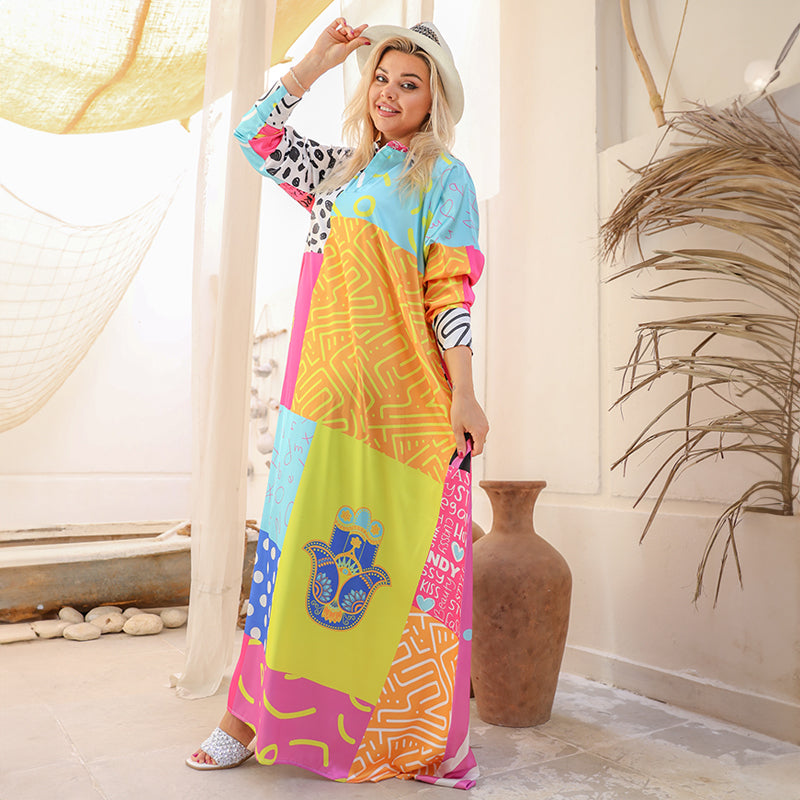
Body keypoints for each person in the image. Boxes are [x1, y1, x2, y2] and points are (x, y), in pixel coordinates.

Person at [186, 17, 488, 790]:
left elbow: (449, 290)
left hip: (400, 408)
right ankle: (245, 719)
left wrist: (465, 392)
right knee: (290, 558)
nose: (389, 94)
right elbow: (255, 138)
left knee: (395, 574)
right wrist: (316, 63)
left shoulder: (444, 180)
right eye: (381, 78)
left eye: (409, 84)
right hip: (318, 400)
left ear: (435, 99)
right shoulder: (340, 173)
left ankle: (393, 729)